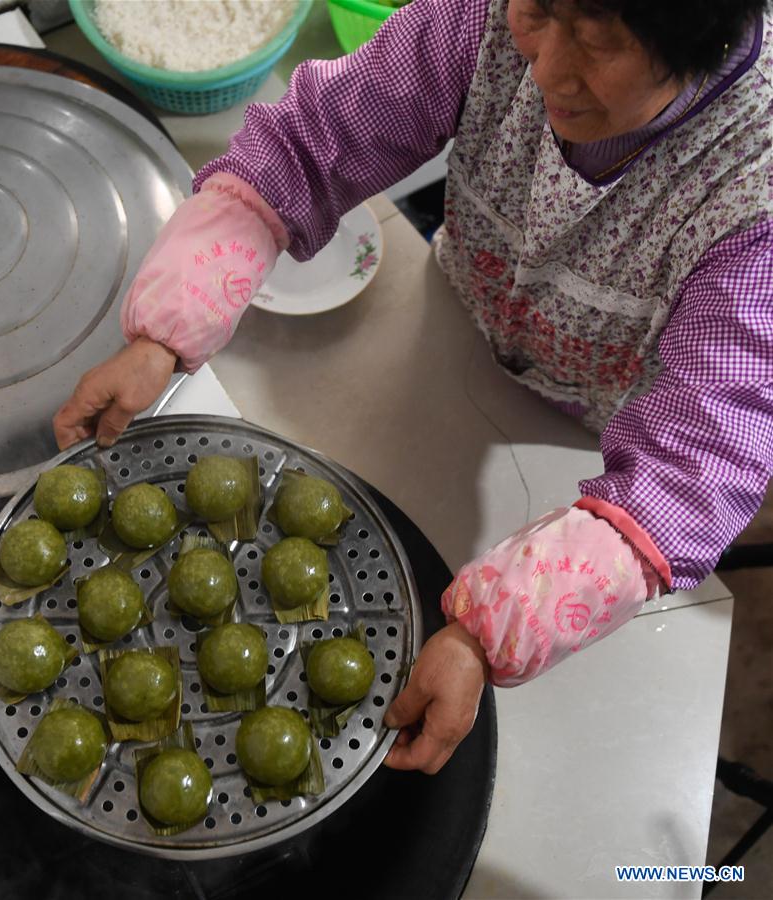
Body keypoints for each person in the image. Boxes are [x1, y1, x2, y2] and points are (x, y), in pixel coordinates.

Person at [54, 0, 772, 775]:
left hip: (597, 420)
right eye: (537, 11)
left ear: (707, 43)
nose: (545, 68)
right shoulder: (482, 21)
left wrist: (488, 636)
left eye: (598, 43)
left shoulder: (753, 197)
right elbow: (307, 143)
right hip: (459, 313)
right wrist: (166, 331)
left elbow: (694, 470)